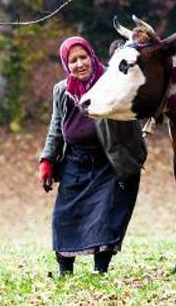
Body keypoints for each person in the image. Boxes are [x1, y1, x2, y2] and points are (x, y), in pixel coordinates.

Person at [38, 36, 147, 276]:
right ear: (67, 65)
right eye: (73, 60)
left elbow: (135, 107)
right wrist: (46, 161)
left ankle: (101, 269)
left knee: (104, 216)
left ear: (92, 56)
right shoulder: (62, 90)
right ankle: (65, 270)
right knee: (64, 216)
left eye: (83, 57)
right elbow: (56, 128)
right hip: (75, 161)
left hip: (109, 160)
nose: (80, 64)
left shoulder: (111, 81)